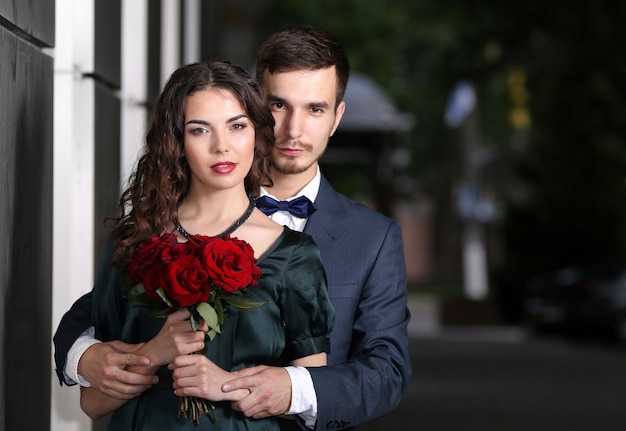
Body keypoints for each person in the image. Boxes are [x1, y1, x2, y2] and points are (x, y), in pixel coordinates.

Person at [54, 26, 411, 430]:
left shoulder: (372, 238)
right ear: (255, 102)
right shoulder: (159, 226)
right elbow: (96, 314)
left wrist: (289, 388)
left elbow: (388, 370)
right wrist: (81, 355)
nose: (293, 130)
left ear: (335, 117)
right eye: (278, 104)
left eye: (315, 109)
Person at [75, 59, 334, 430]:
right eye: (200, 130)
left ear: (257, 135)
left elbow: (311, 399)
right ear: (177, 142)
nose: (221, 146)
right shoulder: (133, 242)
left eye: (237, 126)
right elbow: (92, 403)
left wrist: (225, 386)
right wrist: (155, 352)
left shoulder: (296, 254)